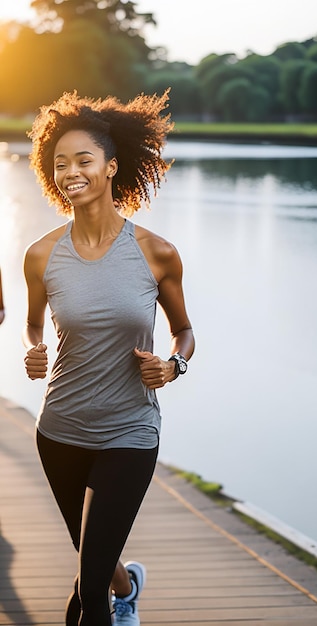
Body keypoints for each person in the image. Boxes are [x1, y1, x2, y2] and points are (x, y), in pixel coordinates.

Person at [22, 91, 195, 626]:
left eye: (83, 160)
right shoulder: (41, 255)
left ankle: (116, 595)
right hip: (60, 432)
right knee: (93, 557)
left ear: (111, 167)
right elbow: (33, 321)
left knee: (88, 587)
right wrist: (33, 347)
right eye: (60, 163)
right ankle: (130, 585)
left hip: (130, 432)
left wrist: (173, 366)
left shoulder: (155, 252)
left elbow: (184, 331)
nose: (71, 171)